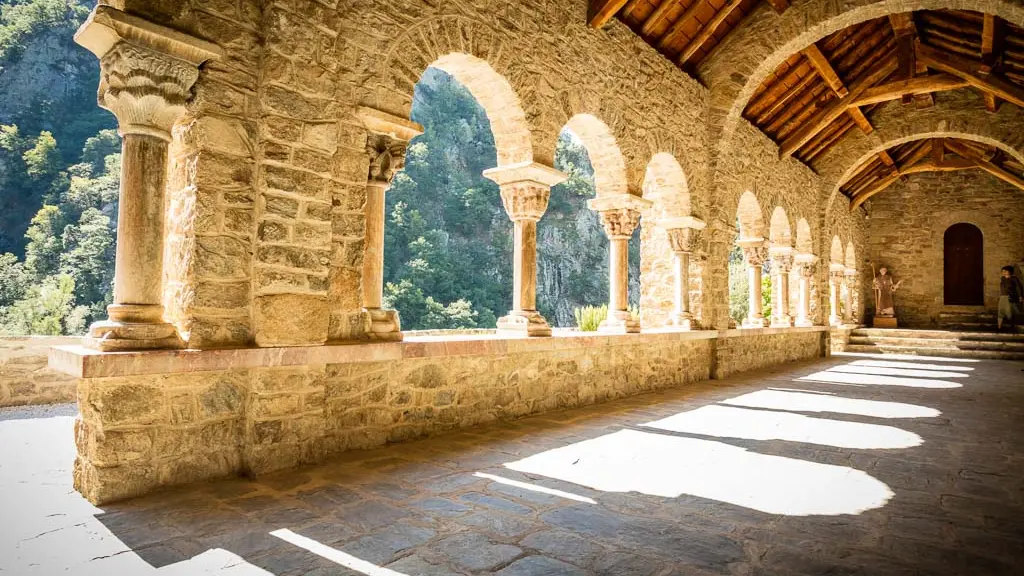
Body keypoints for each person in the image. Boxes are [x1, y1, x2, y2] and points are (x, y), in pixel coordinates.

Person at [998, 265, 1023, 332]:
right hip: (1002, 297)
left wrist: (1020, 296)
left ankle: (1012, 326)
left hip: (1010, 297)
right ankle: (999, 328)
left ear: (1010, 271)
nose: (1003, 272)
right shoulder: (1002, 278)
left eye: (1005, 271)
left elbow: (1018, 288)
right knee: (1000, 312)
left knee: (1010, 312)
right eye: (1002, 271)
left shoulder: (1014, 278)